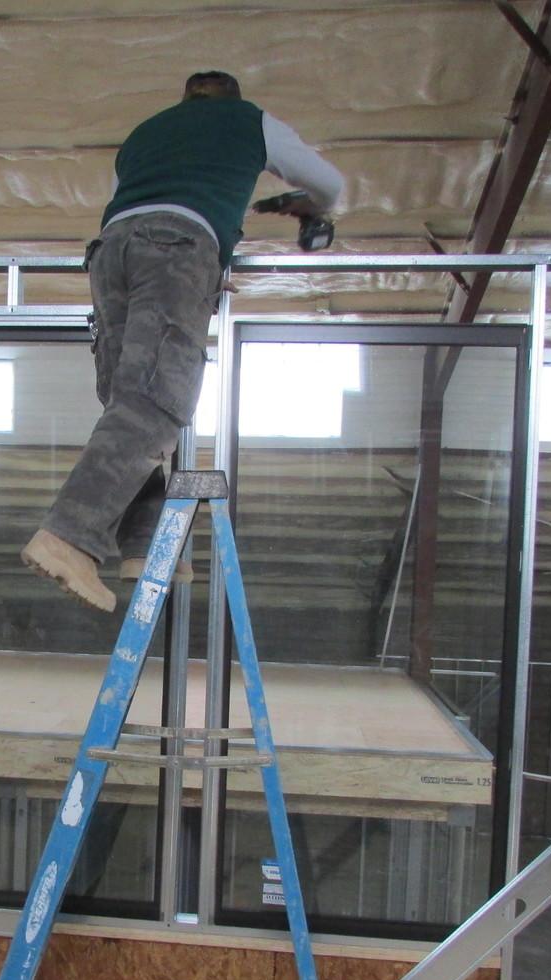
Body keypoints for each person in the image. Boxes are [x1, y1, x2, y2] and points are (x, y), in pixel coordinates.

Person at [21, 70, 346, 613]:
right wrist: (308, 207)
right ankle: (70, 537)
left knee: (129, 402)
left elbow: (132, 206)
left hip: (110, 253)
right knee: (156, 400)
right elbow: (330, 185)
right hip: (177, 246)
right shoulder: (248, 120)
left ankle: (145, 546)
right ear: (233, 98)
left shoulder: (143, 135)